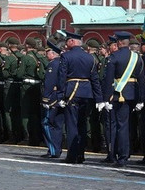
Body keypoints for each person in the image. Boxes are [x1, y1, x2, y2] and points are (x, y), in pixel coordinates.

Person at [56, 31, 103, 164]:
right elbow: (95, 79)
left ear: (72, 42)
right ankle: (81, 154)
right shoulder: (90, 58)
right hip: (86, 93)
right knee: (82, 124)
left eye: (67, 41)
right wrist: (99, 98)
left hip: (72, 92)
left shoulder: (66, 56)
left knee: (71, 125)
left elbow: (62, 77)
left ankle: (72, 155)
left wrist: (60, 95)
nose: (66, 43)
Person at [103, 31, 144, 167]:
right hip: (133, 94)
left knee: (119, 126)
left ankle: (120, 156)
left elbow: (108, 79)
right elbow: (142, 79)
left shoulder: (114, 57)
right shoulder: (136, 57)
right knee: (127, 126)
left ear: (119, 43)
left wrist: (106, 99)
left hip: (118, 94)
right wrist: (141, 99)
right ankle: (125, 154)